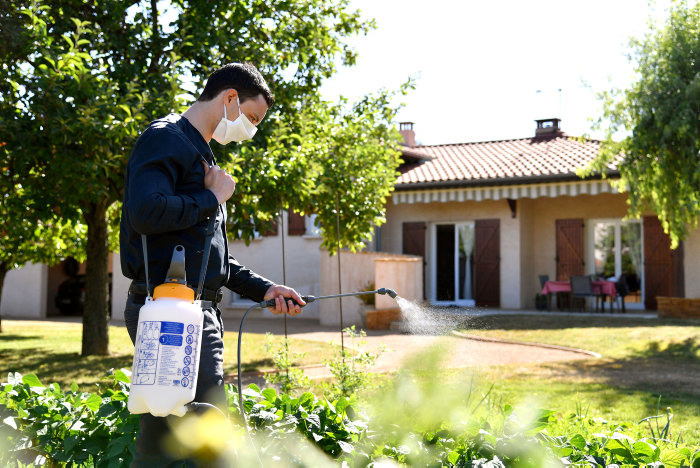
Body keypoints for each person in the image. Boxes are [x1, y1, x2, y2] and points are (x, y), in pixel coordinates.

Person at [119, 62, 305, 466]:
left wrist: (265, 288)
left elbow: (211, 258)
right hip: (171, 310)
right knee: (208, 427)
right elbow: (144, 213)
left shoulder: (200, 153)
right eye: (252, 118)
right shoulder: (164, 139)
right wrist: (212, 198)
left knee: (162, 432)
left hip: (190, 309)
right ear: (230, 98)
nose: (251, 130)